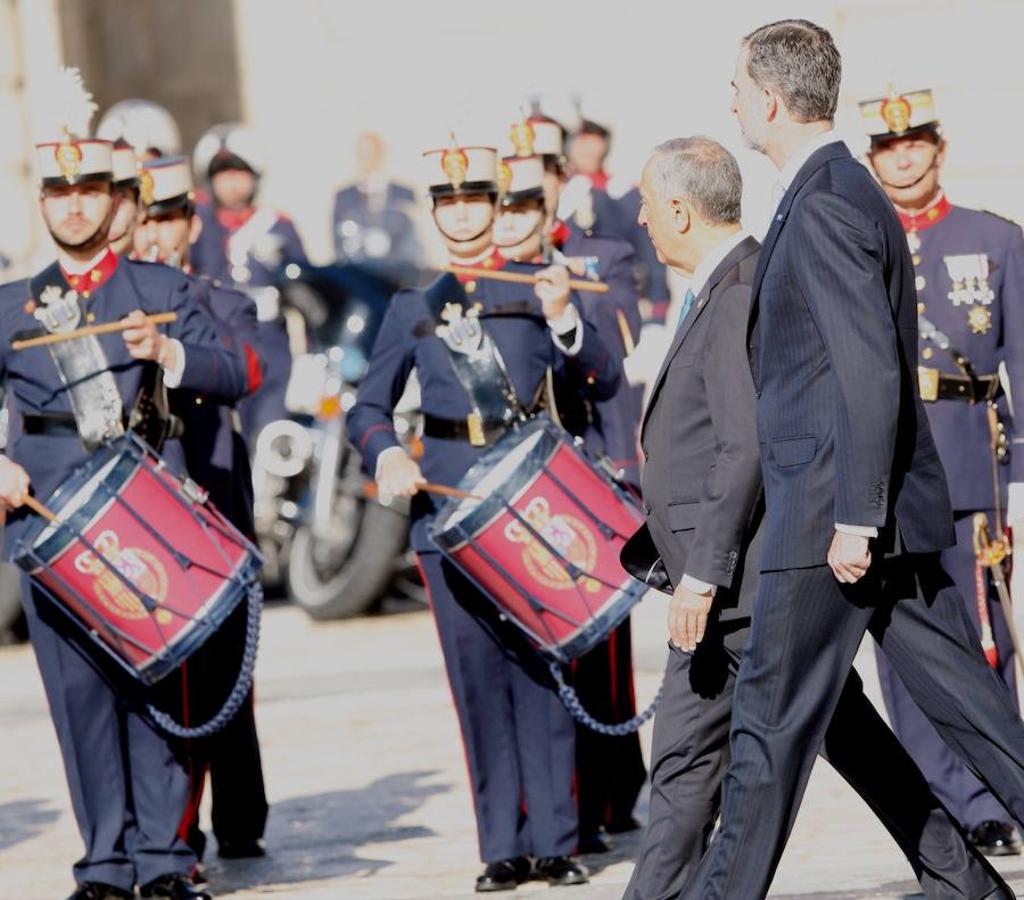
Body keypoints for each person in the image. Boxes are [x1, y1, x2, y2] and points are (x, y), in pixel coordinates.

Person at [681, 20, 1024, 899]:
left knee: (766, 731)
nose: (729, 101)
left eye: (735, 86)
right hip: (863, 510)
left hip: (834, 517)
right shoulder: (840, 187)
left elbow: (867, 368)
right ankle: (968, 887)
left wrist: (855, 516)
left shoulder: (829, 196)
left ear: (768, 98)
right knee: (969, 713)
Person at [0, 69, 246, 900]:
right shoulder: (10, 306)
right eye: (58, 190)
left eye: (89, 190)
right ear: (44, 200)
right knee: (79, 701)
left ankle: (164, 859)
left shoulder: (165, 290)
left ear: (117, 199)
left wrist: (169, 355)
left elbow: (233, 371)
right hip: (45, 519)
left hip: (143, 513)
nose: (73, 205)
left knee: (156, 688)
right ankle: (103, 863)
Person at [348, 141, 621, 892]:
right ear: (436, 214)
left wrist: (567, 321)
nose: (464, 213)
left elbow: (604, 376)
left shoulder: (539, 285)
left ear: (499, 208)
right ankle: (502, 843)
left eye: (477, 200)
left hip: (531, 504)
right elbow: (369, 407)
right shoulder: (413, 303)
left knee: (543, 668)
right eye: (450, 202)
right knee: (476, 679)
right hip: (447, 507)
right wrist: (385, 455)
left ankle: (557, 841)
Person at [860, 86, 1024, 855]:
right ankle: (942, 796)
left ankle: (998, 789)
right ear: (871, 158)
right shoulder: (857, 241)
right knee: (905, 645)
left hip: (968, 464)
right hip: (889, 470)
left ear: (939, 147)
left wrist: (1020, 477)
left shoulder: (992, 240)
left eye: (916, 141)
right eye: (890, 147)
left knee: (985, 638)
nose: (904, 155)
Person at [495, 135, 646, 853]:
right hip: (515, 474)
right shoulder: (480, 269)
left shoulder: (599, 258)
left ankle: (608, 793)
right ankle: (559, 806)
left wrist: (626, 464)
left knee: (598, 649)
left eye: (535, 186)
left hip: (585, 464)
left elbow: (616, 357)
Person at [133, 155, 269, 862]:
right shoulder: (116, 302)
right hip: (137, 519)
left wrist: (173, 350)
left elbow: (249, 367)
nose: (156, 234)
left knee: (225, 678)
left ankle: (241, 816)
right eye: (145, 218)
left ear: (192, 223)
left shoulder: (220, 299)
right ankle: (171, 834)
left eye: (169, 218)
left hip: (213, 505)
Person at [190, 123, 308, 443]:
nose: (230, 182)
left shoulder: (277, 226)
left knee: (270, 435)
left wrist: (310, 357)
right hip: (218, 343)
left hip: (270, 345)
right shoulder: (197, 225)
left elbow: (306, 293)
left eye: (239, 173)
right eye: (221, 173)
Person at [563, 115, 671, 325]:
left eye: (594, 139)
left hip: (616, 303)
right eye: (582, 140)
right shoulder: (558, 192)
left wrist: (657, 307)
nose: (587, 149)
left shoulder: (622, 193)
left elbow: (650, 252)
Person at [331, 130, 423, 276]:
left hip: (399, 276)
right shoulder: (343, 197)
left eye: (372, 152)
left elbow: (414, 240)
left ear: (381, 153)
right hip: (360, 278)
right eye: (362, 153)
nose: (368, 159)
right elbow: (338, 243)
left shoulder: (404, 193)